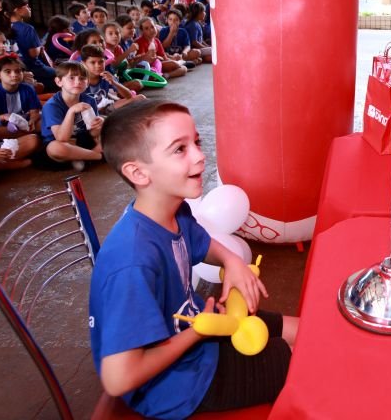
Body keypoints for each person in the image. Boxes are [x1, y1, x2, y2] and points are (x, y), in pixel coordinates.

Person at [90, 100, 293, 418]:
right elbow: (118, 379)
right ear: (138, 172)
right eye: (179, 149)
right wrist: (197, 333)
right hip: (181, 384)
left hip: (202, 333)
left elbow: (204, 244)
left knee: (305, 332)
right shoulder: (132, 261)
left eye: (196, 142)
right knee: (307, 362)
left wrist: (232, 261)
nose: (200, 155)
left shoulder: (173, 209)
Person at [39, 60, 104, 171]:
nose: (78, 82)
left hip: (83, 139)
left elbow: (93, 132)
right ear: (59, 82)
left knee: (109, 124)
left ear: (87, 82)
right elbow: (61, 138)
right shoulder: (52, 106)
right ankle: (98, 156)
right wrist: (71, 112)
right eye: (71, 78)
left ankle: (82, 157)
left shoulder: (89, 100)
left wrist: (98, 125)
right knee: (55, 148)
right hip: (62, 144)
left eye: (82, 78)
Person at [0, 0, 57, 91]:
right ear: (17, 10)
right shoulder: (27, 29)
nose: (29, 9)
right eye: (27, 6)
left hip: (3, 68)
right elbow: (34, 54)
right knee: (61, 74)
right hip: (32, 68)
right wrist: (39, 46)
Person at [0, 55, 41, 132]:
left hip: (25, 121)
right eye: (8, 72)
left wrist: (32, 120)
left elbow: (34, 111)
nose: (14, 75)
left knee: (42, 123)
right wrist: (4, 117)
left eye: (18, 71)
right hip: (4, 126)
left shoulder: (28, 89)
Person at [81, 44, 144, 112]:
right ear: (83, 64)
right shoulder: (80, 81)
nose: (98, 65)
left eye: (101, 62)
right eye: (93, 62)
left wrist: (114, 82)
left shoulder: (106, 76)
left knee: (140, 98)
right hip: (90, 113)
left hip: (108, 108)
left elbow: (129, 96)